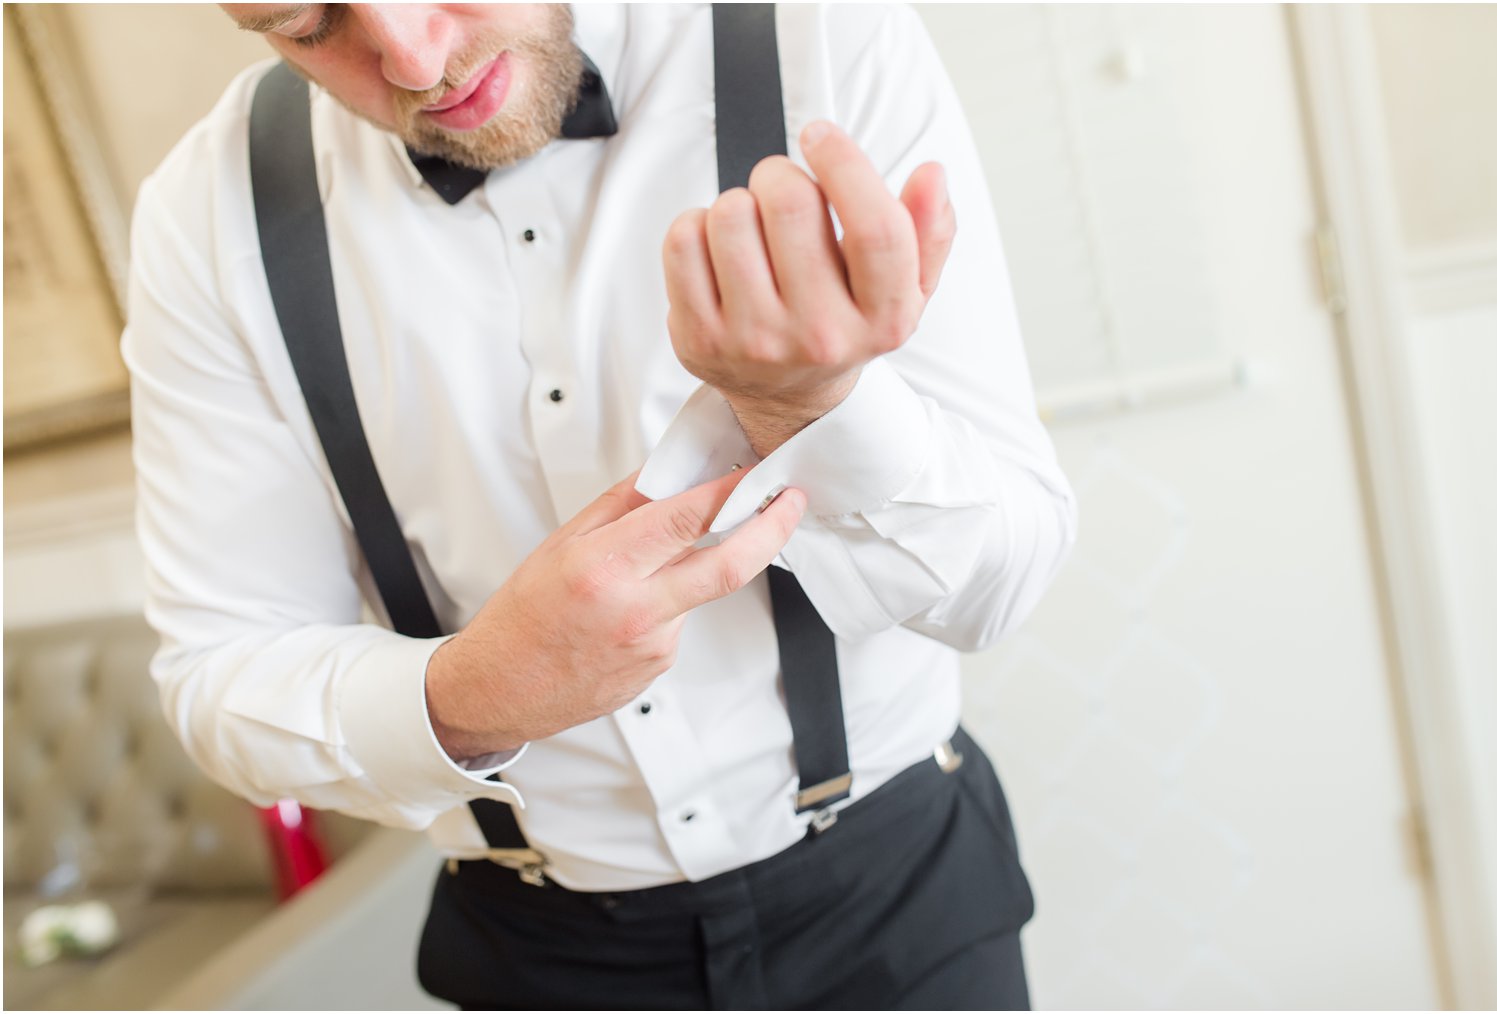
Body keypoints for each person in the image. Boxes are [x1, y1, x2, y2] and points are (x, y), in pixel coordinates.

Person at [123, 3, 1077, 1008]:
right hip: (541, 962)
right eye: (306, 22)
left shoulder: (822, 33)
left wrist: (814, 407)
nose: (410, 53)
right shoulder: (204, 215)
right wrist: (472, 693)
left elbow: (995, 587)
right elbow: (217, 672)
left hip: (899, 903)